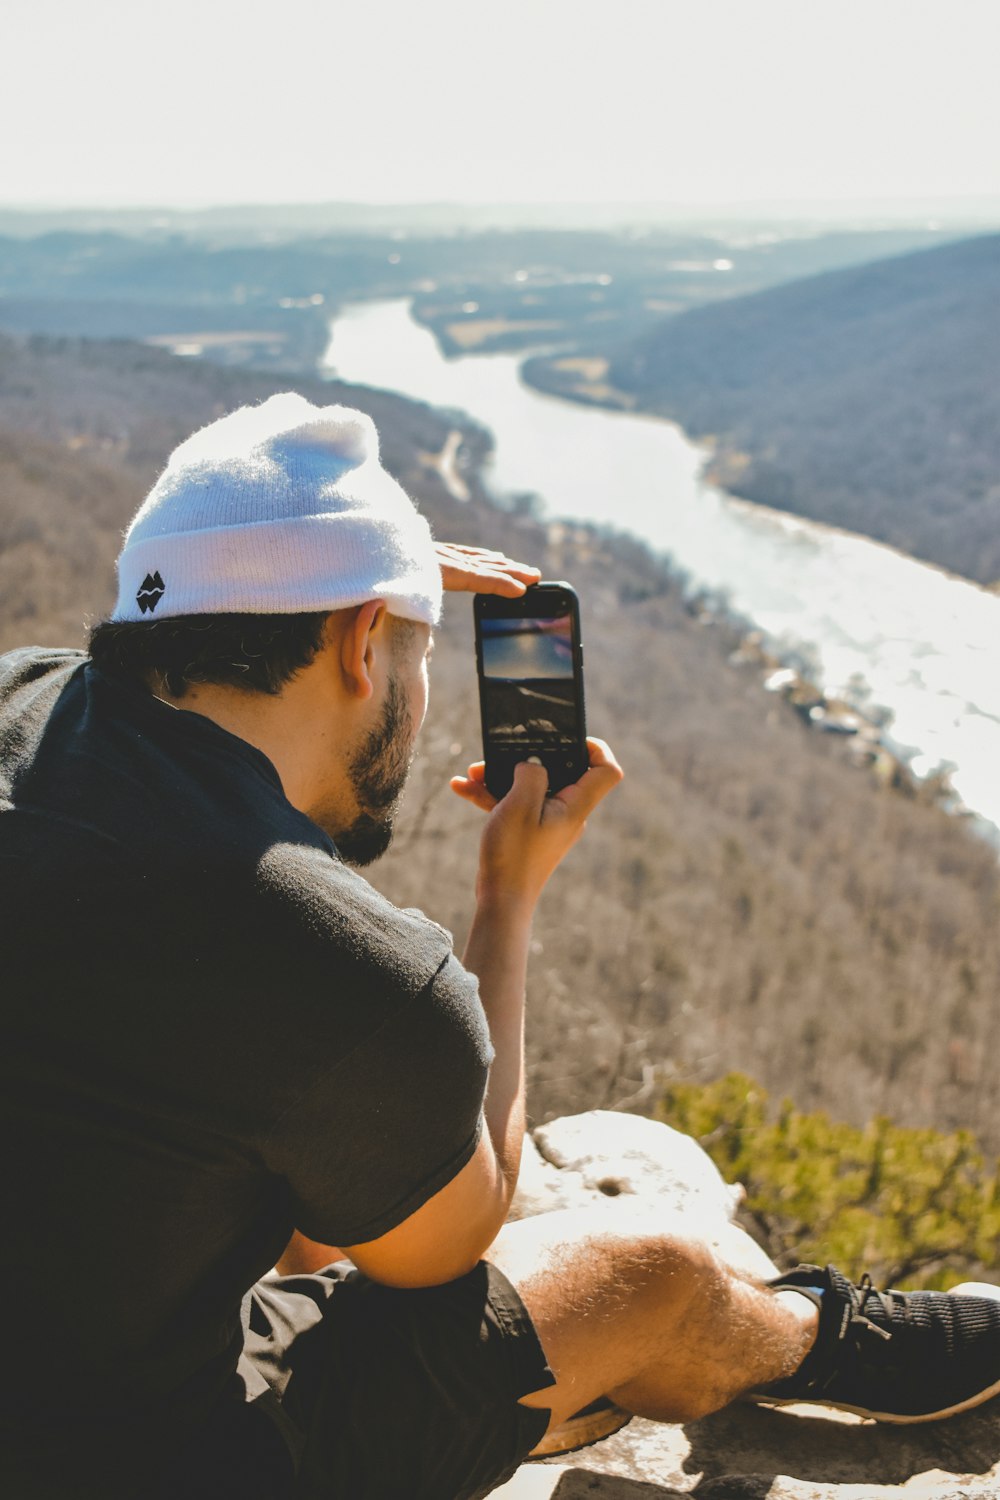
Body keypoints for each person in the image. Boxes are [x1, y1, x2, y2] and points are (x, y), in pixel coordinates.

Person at [1, 393, 997, 1500]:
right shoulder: (326, 958)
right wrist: (504, 896)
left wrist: (332, 576)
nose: (423, 701)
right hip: (141, 1459)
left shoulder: (21, 702)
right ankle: (813, 1334)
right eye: (417, 655)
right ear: (363, 642)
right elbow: (435, 1252)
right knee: (646, 1270)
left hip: (63, 1342)